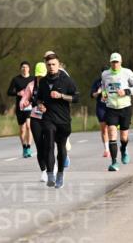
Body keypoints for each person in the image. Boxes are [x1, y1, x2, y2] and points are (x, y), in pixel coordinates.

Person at [35, 53, 79, 189]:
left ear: (58, 64)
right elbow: (38, 99)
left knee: (61, 148)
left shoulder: (67, 80)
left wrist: (61, 96)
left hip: (63, 120)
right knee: (48, 145)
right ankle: (50, 175)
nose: (51, 67)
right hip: (48, 118)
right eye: (49, 65)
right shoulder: (43, 82)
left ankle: (60, 175)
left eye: (54, 64)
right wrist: (40, 105)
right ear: (46, 66)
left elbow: (76, 98)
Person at [98, 53, 133, 171]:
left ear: (121, 62)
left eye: (117, 62)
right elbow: (104, 87)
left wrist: (126, 91)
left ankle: (123, 149)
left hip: (125, 107)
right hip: (111, 108)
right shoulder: (105, 74)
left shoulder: (127, 72)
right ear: (110, 62)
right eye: (113, 62)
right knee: (112, 133)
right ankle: (114, 162)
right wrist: (104, 95)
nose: (115, 64)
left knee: (123, 136)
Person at [21, 62, 49, 181]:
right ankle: (43, 171)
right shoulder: (31, 85)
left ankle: (51, 166)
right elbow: (23, 100)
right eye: (38, 76)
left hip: (49, 118)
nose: (40, 78)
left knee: (48, 145)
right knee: (39, 146)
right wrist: (24, 103)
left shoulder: (51, 85)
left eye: (42, 76)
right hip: (36, 118)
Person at [7, 61, 34, 158]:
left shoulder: (33, 79)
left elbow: (37, 91)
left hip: (30, 106)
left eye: (26, 67)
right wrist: (18, 93)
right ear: (20, 69)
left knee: (29, 126)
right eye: (23, 67)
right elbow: (9, 92)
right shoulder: (16, 79)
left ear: (29, 69)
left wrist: (31, 99)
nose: (24, 68)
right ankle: (24, 147)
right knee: (22, 129)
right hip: (20, 107)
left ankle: (29, 147)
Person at [90, 72, 109, 157]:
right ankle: (106, 150)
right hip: (101, 107)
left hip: (111, 107)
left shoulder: (112, 80)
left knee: (111, 128)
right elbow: (92, 95)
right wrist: (98, 92)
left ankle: (112, 145)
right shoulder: (97, 82)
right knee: (104, 129)